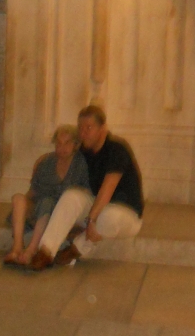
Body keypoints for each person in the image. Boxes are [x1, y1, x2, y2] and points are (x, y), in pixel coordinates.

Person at [29, 104, 144, 269]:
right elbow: (64, 156)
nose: (83, 133)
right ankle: (46, 251)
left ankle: (76, 249)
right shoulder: (85, 150)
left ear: (103, 129)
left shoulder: (117, 149)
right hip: (98, 205)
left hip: (126, 214)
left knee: (107, 217)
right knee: (71, 196)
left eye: (88, 128)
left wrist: (91, 220)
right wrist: (44, 160)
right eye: (81, 128)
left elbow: (107, 189)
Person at [3, 125, 89, 266]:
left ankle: (31, 250)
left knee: (47, 202)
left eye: (67, 143)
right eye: (58, 143)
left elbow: (86, 194)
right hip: (40, 206)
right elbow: (33, 191)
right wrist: (24, 208)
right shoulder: (46, 162)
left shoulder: (81, 164)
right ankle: (17, 247)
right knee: (18, 198)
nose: (62, 148)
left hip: (60, 213)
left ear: (76, 145)